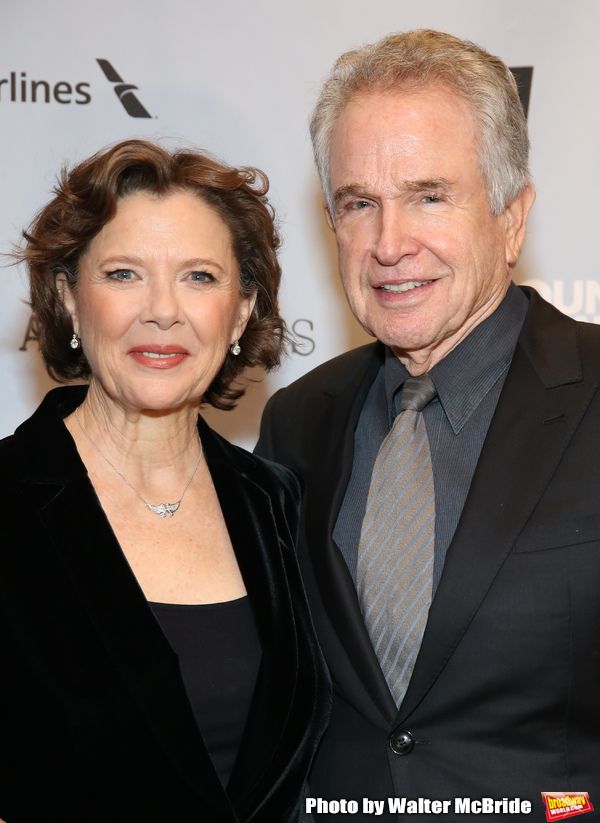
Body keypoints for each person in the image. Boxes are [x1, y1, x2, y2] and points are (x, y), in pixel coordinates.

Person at [256, 30, 600, 821]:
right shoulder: (298, 422)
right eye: (359, 203)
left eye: (429, 195)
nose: (388, 244)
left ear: (512, 218)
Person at [0, 139, 330, 823]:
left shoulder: (278, 503)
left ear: (240, 312)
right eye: (124, 274)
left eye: (200, 277)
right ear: (67, 298)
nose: (162, 309)